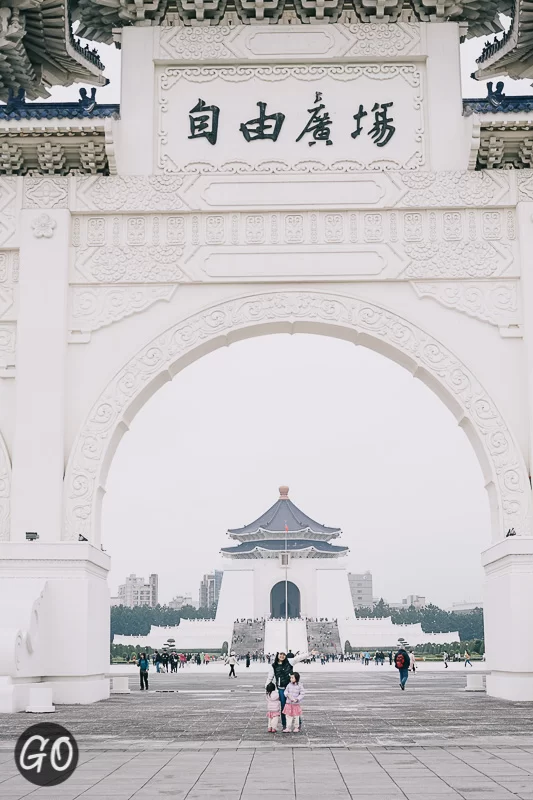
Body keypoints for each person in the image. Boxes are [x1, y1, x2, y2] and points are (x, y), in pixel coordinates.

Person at [265, 649, 312, 730]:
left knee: (294, 705)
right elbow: (270, 677)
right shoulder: (274, 666)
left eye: (283, 654)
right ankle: (285, 725)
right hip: (281, 689)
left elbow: (299, 658)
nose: (282, 656)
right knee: (284, 707)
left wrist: (309, 653)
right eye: (280, 654)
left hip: (291, 688)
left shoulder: (289, 662)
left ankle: (298, 723)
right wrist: (267, 687)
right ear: (278, 655)